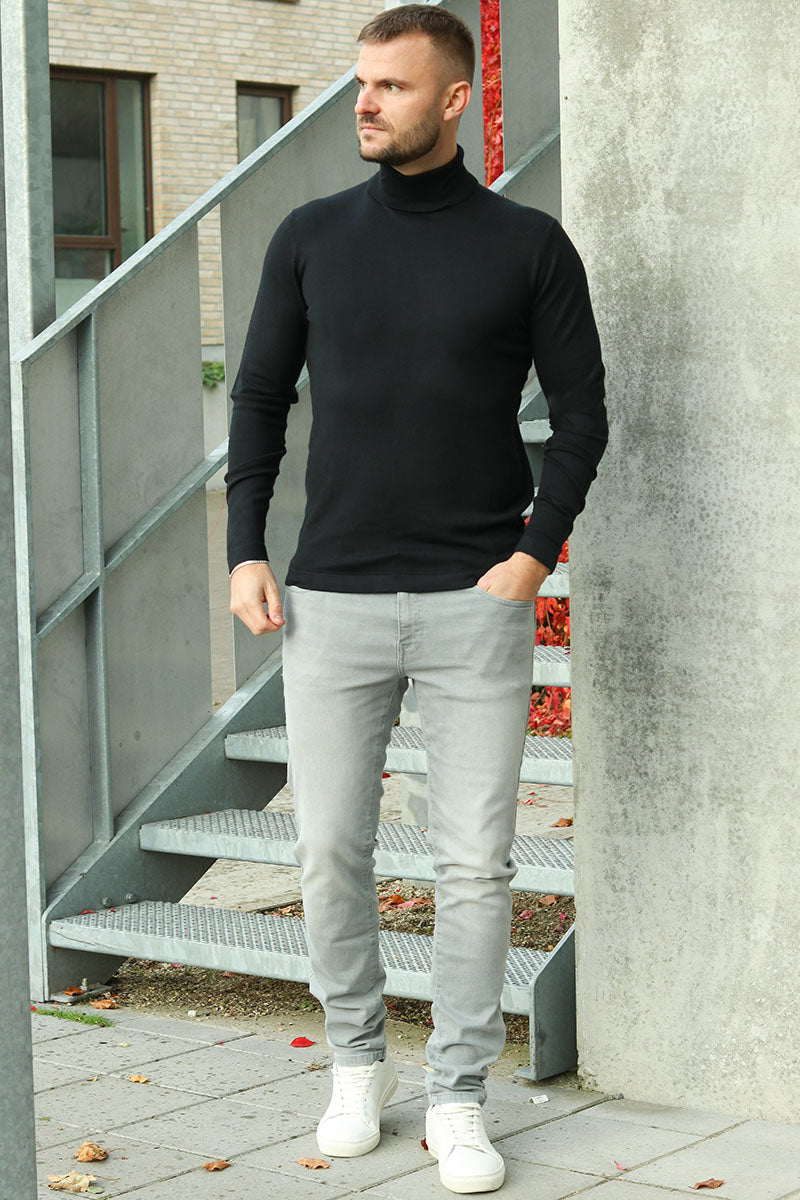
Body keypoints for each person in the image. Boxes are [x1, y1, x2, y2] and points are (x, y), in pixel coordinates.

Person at [225, 5, 607, 1193]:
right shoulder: (309, 237)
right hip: (330, 599)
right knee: (328, 849)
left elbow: (581, 413)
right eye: (360, 84)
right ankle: (354, 1065)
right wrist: (244, 549)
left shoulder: (526, 246)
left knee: (473, 866)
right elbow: (257, 398)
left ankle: (454, 1094)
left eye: (390, 86)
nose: (365, 104)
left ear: (452, 99)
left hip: (472, 600)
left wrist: (532, 555)